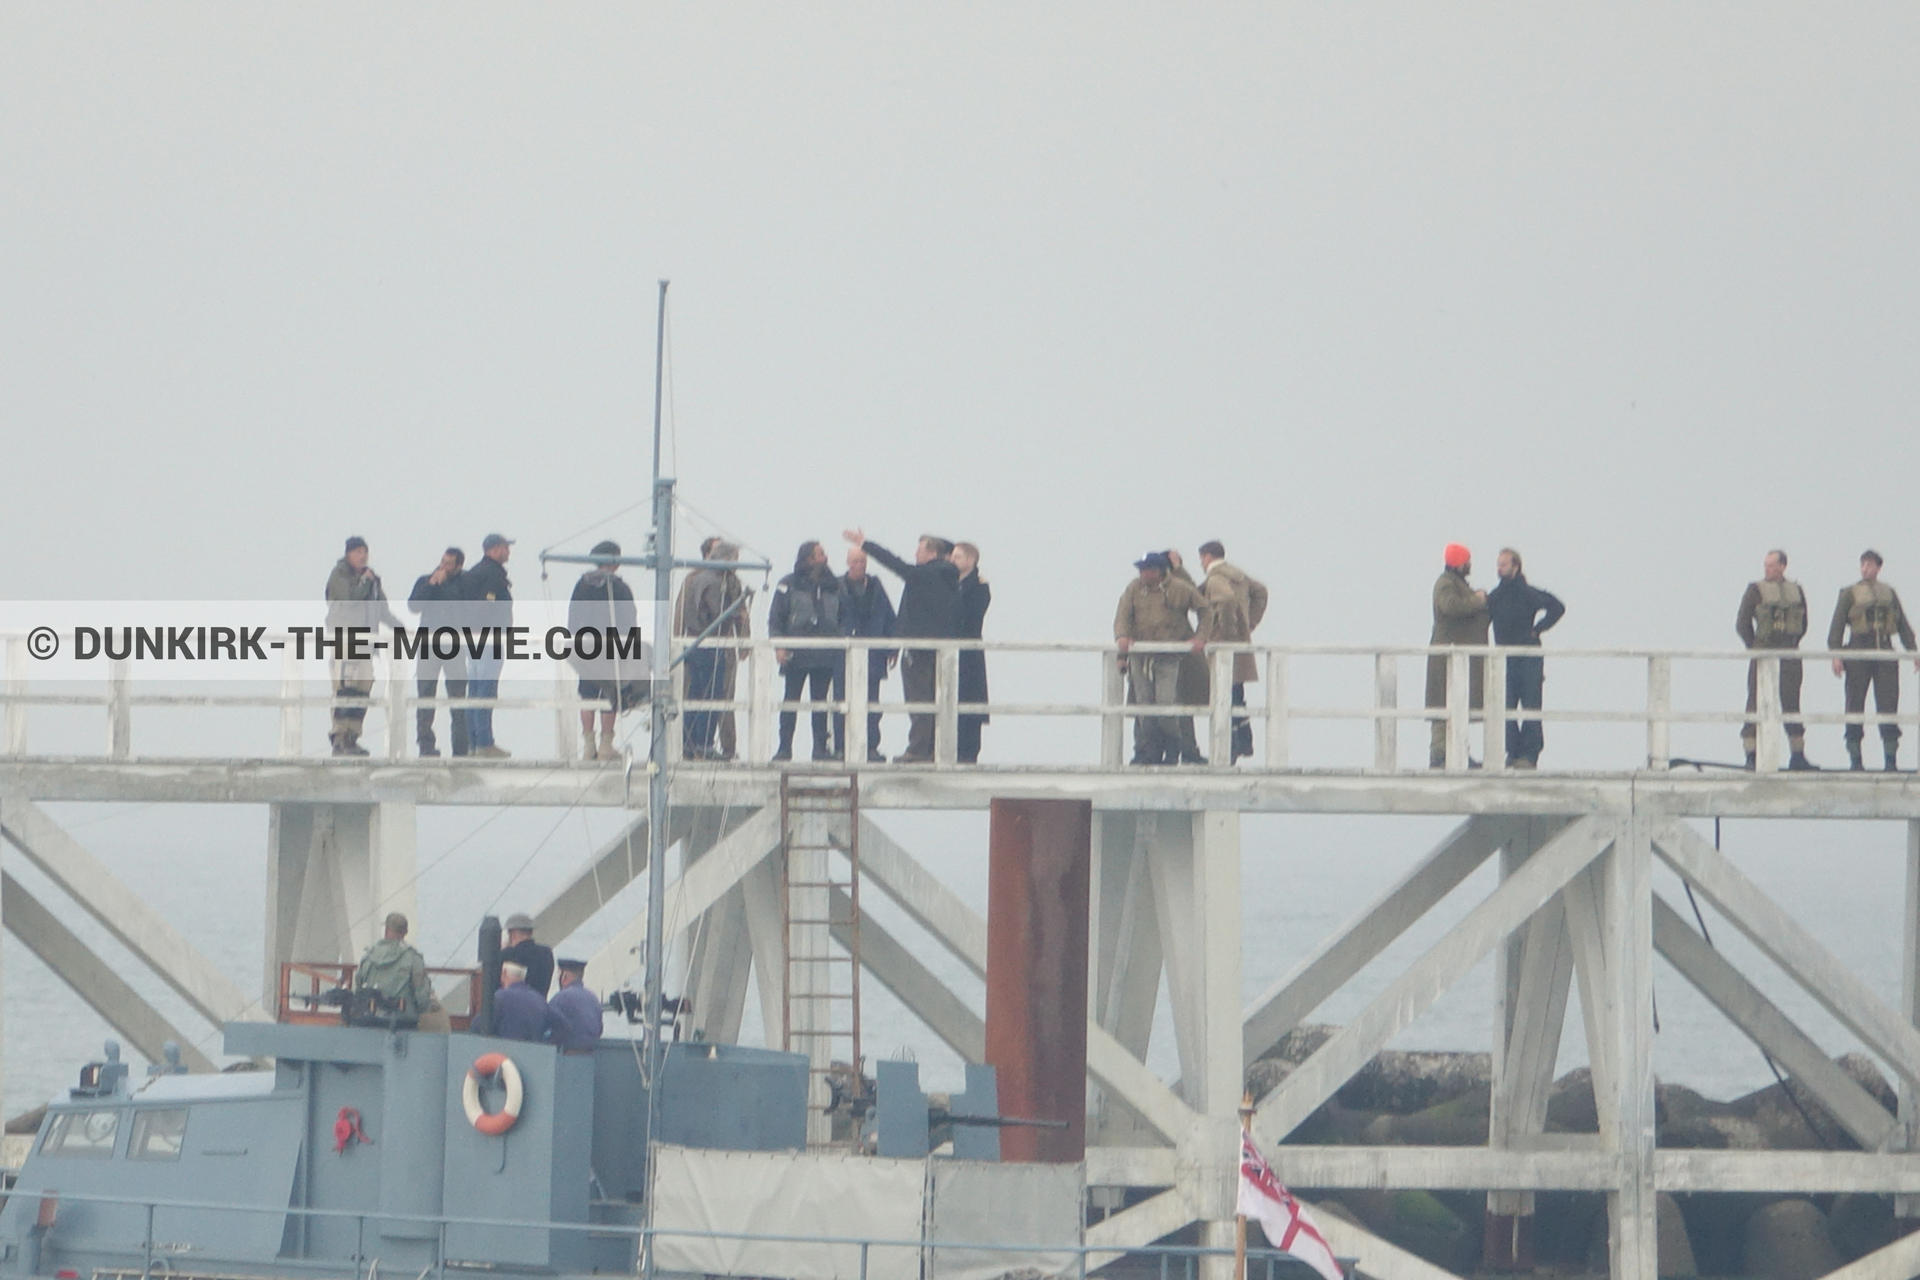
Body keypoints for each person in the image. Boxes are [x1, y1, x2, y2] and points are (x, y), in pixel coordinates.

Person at [843, 530, 959, 763]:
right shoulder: (949, 576)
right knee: (935, 701)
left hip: (919, 648)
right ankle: (932, 749)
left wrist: (866, 544)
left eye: (920, 549)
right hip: (940, 648)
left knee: (920, 701)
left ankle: (917, 750)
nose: (915, 553)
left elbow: (894, 564)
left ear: (932, 553)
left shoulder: (926, 575)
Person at [1828, 550, 1919, 772]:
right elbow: (1837, 626)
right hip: (1859, 650)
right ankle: (1855, 760)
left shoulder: (1889, 593)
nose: (1865, 569)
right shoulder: (1850, 593)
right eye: (1863, 564)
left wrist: (1913, 651)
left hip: (1885, 651)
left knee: (1888, 705)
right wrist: (1836, 655)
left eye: (1870, 565)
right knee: (1854, 704)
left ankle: (1890, 760)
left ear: (1878, 567)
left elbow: (1902, 624)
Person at [1114, 552, 1208, 765]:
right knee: (1143, 707)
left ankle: (1173, 750)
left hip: (1168, 657)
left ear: (1159, 571)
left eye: (1147, 570)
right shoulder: (1134, 589)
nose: (1142, 574)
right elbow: (1123, 616)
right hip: (1140, 656)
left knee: (1166, 705)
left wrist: (1200, 637)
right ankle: (1149, 753)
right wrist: (1121, 639)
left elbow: (1204, 609)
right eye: (1141, 570)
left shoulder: (1179, 588)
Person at [1485, 548, 1565, 770]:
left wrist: (1538, 629)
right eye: (1498, 564)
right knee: (1506, 707)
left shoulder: (1527, 593)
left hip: (1529, 657)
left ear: (1515, 566)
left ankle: (1529, 755)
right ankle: (1513, 754)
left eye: (1503, 564)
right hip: (1504, 658)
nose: (1499, 568)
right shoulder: (1495, 596)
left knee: (1531, 706)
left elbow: (1557, 607)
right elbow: (1480, 619)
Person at [1736, 549, 1815, 771]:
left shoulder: (1796, 590)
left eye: (1772, 565)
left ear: (1782, 566)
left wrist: (1792, 641)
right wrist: (1755, 647)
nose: (1767, 569)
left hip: (1789, 651)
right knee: (1755, 701)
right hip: (1763, 651)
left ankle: (1797, 753)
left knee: (1791, 702)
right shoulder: (1755, 591)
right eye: (1766, 565)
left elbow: (1804, 623)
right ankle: (1751, 754)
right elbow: (1742, 624)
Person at [768, 541, 846, 761]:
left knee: (820, 703)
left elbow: (844, 616)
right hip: (796, 653)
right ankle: (784, 749)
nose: (825, 557)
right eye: (821, 554)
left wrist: (840, 640)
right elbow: (776, 617)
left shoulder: (835, 586)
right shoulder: (788, 584)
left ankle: (820, 749)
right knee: (790, 701)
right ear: (809, 558)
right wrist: (779, 645)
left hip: (825, 654)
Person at [324, 536, 401, 757]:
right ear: (348, 554)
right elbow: (350, 598)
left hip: (366, 642)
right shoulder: (340, 575)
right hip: (345, 638)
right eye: (358, 552)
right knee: (345, 687)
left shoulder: (371, 579)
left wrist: (400, 628)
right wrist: (365, 582)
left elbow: (382, 609)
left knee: (362, 688)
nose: (362, 556)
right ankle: (339, 737)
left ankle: (352, 737)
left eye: (364, 552)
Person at [1195, 541, 1269, 764]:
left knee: (1224, 697)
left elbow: (1225, 600)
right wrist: (1248, 624)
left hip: (1224, 647)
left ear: (1207, 556)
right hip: (1240, 645)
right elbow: (1261, 593)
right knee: (1236, 696)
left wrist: (1225, 632)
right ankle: (1242, 743)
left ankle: (1231, 748)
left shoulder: (1216, 578)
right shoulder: (1238, 575)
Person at [679, 540, 750, 760]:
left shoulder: (697, 579)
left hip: (694, 644)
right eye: (735, 559)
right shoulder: (714, 582)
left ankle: (690, 744)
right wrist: (738, 615)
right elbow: (717, 613)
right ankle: (704, 745)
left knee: (694, 695)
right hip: (710, 645)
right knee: (711, 695)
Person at [568, 540, 638, 763]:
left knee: (588, 694)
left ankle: (589, 746)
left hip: (585, 646)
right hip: (611, 647)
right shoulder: (619, 587)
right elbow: (628, 619)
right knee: (611, 694)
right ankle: (606, 745)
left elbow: (573, 617)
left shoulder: (582, 585)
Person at [1427, 543, 1489, 769]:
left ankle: (1459, 753)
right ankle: (1440, 755)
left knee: (1458, 705)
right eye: (1466, 561)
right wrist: (1478, 600)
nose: (1469, 565)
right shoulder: (1445, 584)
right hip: (1446, 657)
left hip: (1457, 659)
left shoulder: (1455, 584)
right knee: (1443, 706)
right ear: (1458, 562)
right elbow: (1450, 606)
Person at [838, 545, 897, 762]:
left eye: (862, 561)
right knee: (842, 703)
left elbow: (890, 618)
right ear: (847, 562)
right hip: (844, 659)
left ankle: (871, 746)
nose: (859, 565)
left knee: (872, 705)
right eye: (854, 561)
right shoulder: (838, 587)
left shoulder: (876, 588)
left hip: (873, 657)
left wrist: (892, 648)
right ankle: (841, 747)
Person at [408, 547, 468, 758]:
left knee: (458, 699)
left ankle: (461, 749)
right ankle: (426, 745)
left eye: (449, 563)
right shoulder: (426, 580)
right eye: (442, 561)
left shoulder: (464, 583)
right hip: (428, 645)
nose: (443, 566)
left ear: (459, 566)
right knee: (425, 696)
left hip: (454, 646)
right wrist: (433, 584)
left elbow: (464, 607)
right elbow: (414, 605)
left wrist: (445, 584)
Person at [462, 533, 514, 759]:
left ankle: (475, 741)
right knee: (485, 689)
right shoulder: (492, 573)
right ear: (493, 549)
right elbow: (489, 604)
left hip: (473, 638)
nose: (508, 552)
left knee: (474, 689)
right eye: (504, 547)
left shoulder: (474, 572)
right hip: (488, 638)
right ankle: (484, 742)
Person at [951, 542, 992, 763]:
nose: (952, 561)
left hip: (969, 656)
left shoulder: (979, 587)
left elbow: (969, 618)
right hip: (950, 656)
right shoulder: (947, 584)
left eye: (957, 557)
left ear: (970, 561)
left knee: (969, 708)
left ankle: (968, 755)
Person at [353, 911, 432, 1021]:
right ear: (405, 932)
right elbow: (421, 998)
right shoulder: (413, 959)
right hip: (403, 1022)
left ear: (386, 930)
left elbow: (357, 987)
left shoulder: (369, 956)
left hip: (369, 1021)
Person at [492, 962, 564, 1043]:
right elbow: (562, 1026)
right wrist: (545, 1045)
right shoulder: (538, 999)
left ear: (504, 974)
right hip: (532, 1052)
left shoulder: (500, 997)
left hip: (504, 1051)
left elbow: (479, 1026)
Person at [549, 957, 604, 1048]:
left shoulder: (561, 997)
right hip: (591, 1052)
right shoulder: (593, 998)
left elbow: (547, 1023)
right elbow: (599, 1029)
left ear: (564, 976)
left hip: (568, 1052)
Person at [498, 912, 554, 996]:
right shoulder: (546, 953)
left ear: (513, 933)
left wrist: (502, 951)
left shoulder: (507, 955)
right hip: (539, 1005)